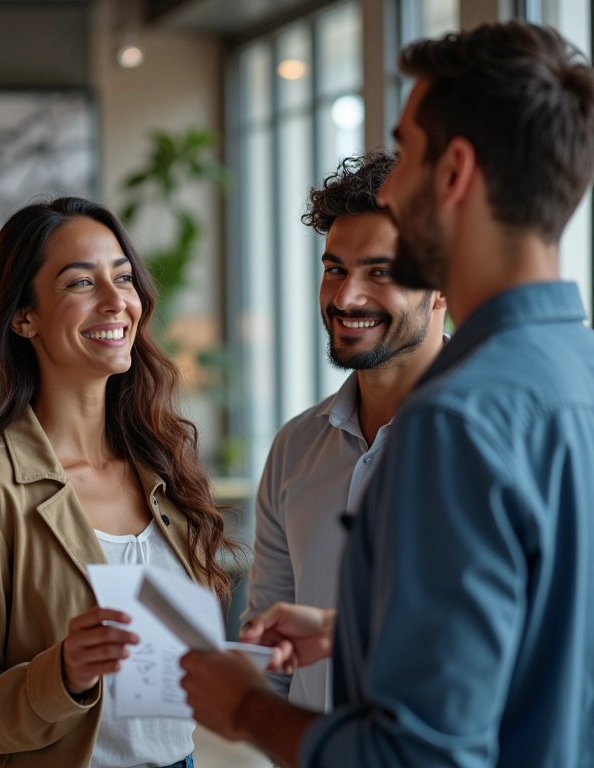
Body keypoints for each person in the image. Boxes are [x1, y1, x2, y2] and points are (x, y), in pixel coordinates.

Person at [180, 20, 594, 768]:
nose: (393, 187)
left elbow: (417, 757)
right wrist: (356, 632)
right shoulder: (576, 372)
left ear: (454, 171)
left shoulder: (457, 419)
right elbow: (544, 635)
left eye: (406, 152)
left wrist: (243, 710)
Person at [0, 196, 240, 768]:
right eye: (80, 283)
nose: (116, 301)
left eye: (123, 277)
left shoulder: (165, 471)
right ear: (24, 317)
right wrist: (63, 673)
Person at [243, 148, 446, 713]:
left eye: (380, 272)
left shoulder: (492, 439)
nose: (345, 297)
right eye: (335, 269)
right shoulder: (295, 448)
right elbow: (269, 654)